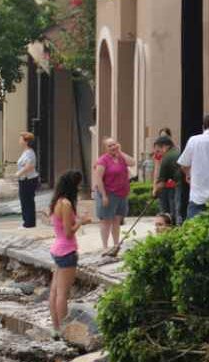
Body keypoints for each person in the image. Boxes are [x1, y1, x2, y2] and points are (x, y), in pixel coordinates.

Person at [49, 170, 92, 336]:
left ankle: (56, 328)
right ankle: (64, 330)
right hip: (67, 250)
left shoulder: (56, 202)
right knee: (62, 294)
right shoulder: (66, 204)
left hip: (57, 249)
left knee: (54, 292)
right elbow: (69, 232)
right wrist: (81, 221)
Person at [91, 138, 134, 252]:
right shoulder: (102, 161)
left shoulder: (121, 158)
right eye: (110, 146)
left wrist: (120, 152)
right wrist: (104, 196)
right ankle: (105, 246)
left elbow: (132, 163)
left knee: (116, 220)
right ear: (105, 148)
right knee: (106, 220)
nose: (113, 147)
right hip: (108, 193)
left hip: (121, 194)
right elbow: (98, 179)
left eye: (114, 144)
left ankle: (116, 244)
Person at [152, 136, 183, 225]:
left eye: (159, 150)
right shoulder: (178, 151)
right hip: (186, 185)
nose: (159, 154)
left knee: (177, 211)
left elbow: (161, 183)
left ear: (165, 146)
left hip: (179, 185)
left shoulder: (167, 158)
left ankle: (177, 230)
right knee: (179, 210)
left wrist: (155, 192)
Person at [15, 133, 40, 228]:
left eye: (21, 139)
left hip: (28, 179)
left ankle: (28, 223)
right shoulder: (26, 152)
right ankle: (28, 222)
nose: (19, 140)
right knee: (25, 201)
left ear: (26, 141)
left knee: (27, 201)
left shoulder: (29, 152)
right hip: (24, 179)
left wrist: (19, 173)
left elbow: (30, 165)